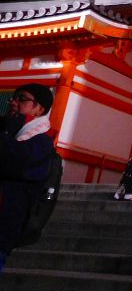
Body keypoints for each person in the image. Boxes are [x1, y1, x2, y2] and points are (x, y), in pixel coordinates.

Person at [0, 84, 55, 273]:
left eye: (22, 99)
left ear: (40, 109)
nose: (14, 103)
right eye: (13, 98)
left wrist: (7, 132)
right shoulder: (8, 130)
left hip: (5, 221)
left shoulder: (41, 142)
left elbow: (14, 163)